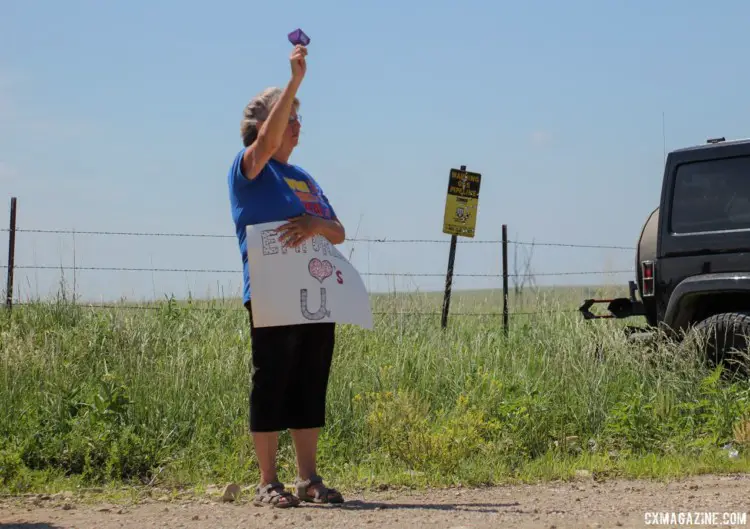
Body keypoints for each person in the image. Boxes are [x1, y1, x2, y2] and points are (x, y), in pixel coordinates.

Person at [227, 44, 346, 508]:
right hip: (273, 292)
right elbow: (264, 146)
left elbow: (337, 231)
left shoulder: (302, 177)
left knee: (310, 378)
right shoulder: (248, 170)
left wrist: (315, 225)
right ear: (265, 125)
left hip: (314, 293)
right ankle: (267, 482)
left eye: (297, 118)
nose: (297, 126)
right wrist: (294, 82)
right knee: (272, 378)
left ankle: (308, 478)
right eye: (289, 117)